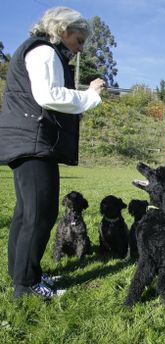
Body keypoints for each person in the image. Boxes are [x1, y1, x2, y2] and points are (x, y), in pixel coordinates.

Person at [0, 7, 105, 299]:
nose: (80, 48)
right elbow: (49, 95)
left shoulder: (38, 50)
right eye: (79, 39)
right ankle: (26, 287)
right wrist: (91, 96)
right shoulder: (45, 51)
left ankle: (25, 275)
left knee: (26, 215)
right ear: (62, 30)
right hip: (32, 140)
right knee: (39, 216)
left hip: (26, 139)